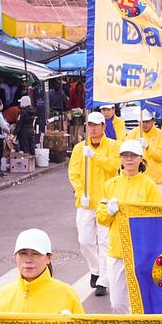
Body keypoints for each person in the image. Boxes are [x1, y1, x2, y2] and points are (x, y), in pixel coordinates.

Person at [96, 140, 162, 312]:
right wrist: (109, 212)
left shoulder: (149, 185)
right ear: (120, 159)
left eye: (133, 156)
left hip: (141, 252)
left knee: (140, 300)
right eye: (125, 156)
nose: (129, 159)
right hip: (117, 251)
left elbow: (158, 218)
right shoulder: (110, 185)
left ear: (141, 159)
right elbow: (101, 218)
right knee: (117, 303)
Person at [67, 111, 118, 294]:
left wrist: (94, 156)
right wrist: (81, 193)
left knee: (104, 242)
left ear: (103, 126)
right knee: (85, 241)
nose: (93, 128)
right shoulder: (79, 148)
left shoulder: (113, 146)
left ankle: (103, 280)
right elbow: (74, 173)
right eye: (90, 125)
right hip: (86, 203)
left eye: (96, 125)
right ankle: (95, 269)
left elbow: (114, 167)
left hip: (105, 203)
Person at [126, 109, 162, 191]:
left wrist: (148, 147)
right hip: (137, 177)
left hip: (156, 178)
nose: (144, 124)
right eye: (142, 122)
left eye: (147, 121)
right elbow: (125, 154)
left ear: (153, 121)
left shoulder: (160, 134)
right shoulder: (132, 134)